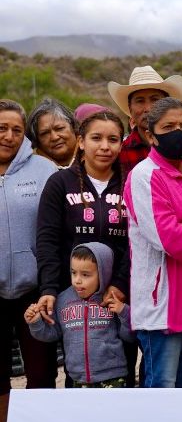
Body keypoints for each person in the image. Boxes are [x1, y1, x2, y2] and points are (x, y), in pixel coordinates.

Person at [123, 97, 182, 388]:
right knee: (162, 391)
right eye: (168, 126)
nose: (178, 131)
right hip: (162, 308)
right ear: (151, 134)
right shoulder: (143, 176)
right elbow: (169, 238)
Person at [0, 100, 58, 422]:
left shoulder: (44, 170)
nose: (8, 136)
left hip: (34, 288)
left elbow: (53, 230)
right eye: (1, 129)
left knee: (41, 370)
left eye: (16, 130)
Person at [35, 108, 129, 326]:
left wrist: (121, 285)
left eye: (113, 139)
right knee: (77, 359)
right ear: (81, 142)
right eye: (96, 138)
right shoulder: (59, 183)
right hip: (71, 294)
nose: (105, 146)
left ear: (121, 144)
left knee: (121, 358)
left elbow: (137, 242)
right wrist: (48, 287)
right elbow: (47, 239)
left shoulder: (132, 183)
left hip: (116, 297)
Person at [25, 243, 134, 388]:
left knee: (111, 411)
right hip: (77, 379)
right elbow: (52, 334)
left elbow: (130, 337)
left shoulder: (112, 300)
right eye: (73, 272)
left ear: (104, 272)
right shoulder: (62, 300)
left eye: (85, 274)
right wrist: (36, 322)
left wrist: (124, 311)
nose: (77, 280)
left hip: (113, 377)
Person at [110, 65, 182, 176]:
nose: (148, 108)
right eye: (140, 101)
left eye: (155, 99)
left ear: (167, 104)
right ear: (130, 108)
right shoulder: (118, 152)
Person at [28, 99, 78, 168]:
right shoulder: (30, 170)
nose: (54, 137)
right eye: (45, 133)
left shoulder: (94, 159)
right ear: (37, 140)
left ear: (73, 127)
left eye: (59, 128)